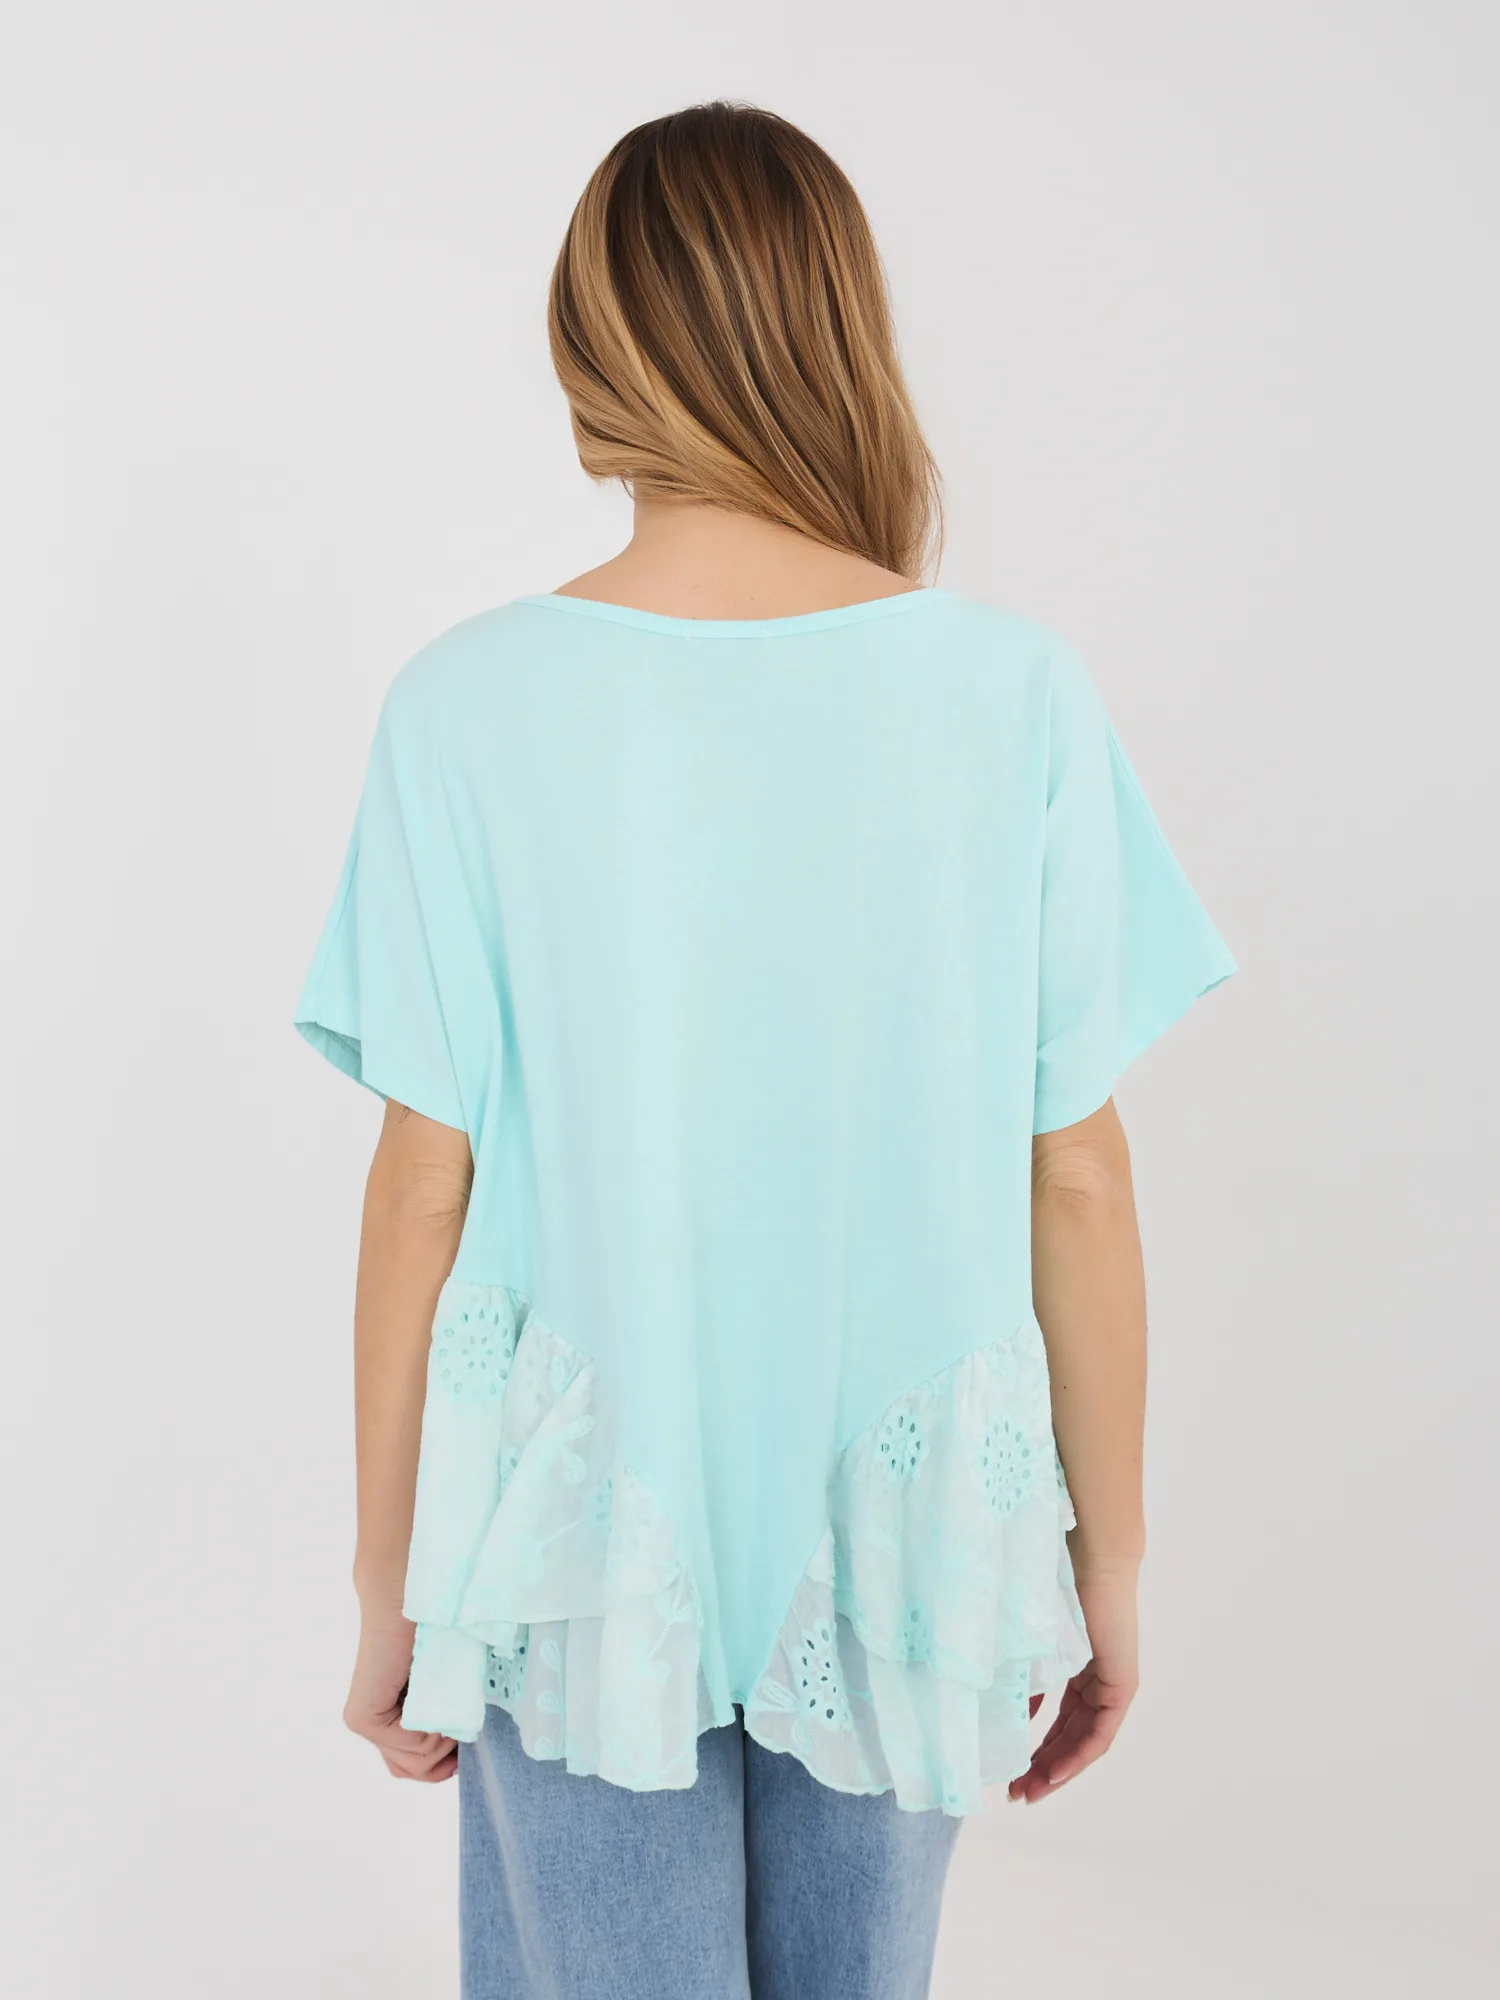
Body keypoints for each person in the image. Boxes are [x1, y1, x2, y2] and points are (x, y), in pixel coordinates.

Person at [294, 101, 1236, 2000]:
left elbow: (419, 1191)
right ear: (838, 330)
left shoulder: (464, 710)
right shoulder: (1014, 696)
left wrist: (392, 1587)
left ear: (588, 343)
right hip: (908, 1542)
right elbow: (1076, 1169)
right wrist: (1110, 1567)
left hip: (574, 1540)